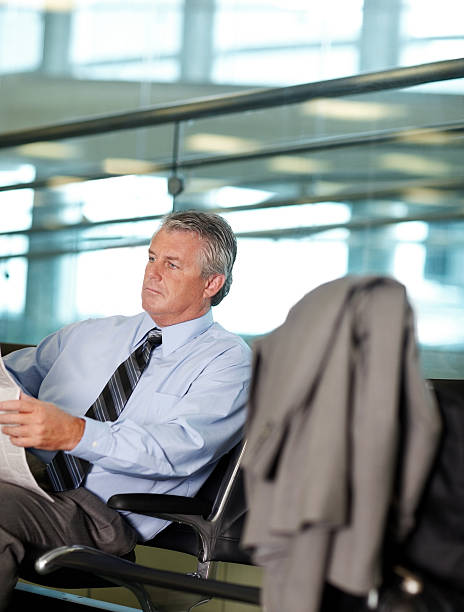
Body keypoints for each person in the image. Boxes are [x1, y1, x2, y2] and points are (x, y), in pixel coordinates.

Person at [0, 210, 251, 610]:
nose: (153, 274)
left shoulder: (228, 362)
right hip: (26, 484)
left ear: (212, 283)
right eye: (152, 258)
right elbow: (9, 381)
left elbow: (177, 450)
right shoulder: (92, 334)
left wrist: (75, 434)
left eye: (172, 265)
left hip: (100, 518)